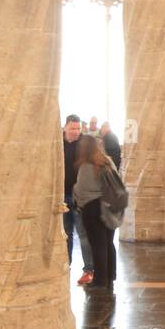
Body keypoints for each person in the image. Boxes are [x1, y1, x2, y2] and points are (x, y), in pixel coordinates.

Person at [74, 135, 117, 291]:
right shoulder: (108, 161)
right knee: (108, 242)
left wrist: (76, 197)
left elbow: (81, 190)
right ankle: (110, 276)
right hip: (110, 206)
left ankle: (100, 281)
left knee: (97, 244)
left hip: (92, 208)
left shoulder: (86, 165)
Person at [63, 114, 94, 285]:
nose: (75, 132)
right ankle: (65, 266)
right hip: (63, 195)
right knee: (66, 233)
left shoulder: (84, 144)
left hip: (80, 196)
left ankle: (89, 270)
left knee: (83, 233)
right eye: (72, 128)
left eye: (77, 129)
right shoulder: (58, 143)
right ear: (65, 127)